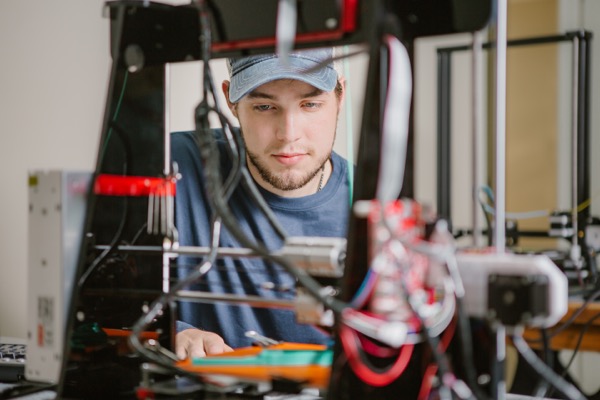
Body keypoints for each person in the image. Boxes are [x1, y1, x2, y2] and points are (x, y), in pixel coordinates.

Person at [171, 48, 351, 359]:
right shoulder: (172, 168)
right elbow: (101, 308)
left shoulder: (370, 208)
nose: (288, 134)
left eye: (310, 104)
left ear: (340, 96)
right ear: (231, 100)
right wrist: (174, 333)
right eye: (265, 106)